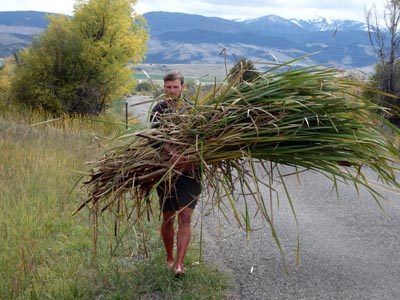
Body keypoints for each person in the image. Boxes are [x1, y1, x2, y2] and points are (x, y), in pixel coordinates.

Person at [150, 70, 201, 277]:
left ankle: (179, 264)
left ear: (183, 87)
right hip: (166, 172)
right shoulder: (158, 110)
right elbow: (154, 139)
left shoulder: (193, 110)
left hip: (190, 172)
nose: (171, 91)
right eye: (168, 87)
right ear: (164, 88)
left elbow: (203, 139)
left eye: (175, 87)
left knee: (186, 217)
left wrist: (189, 157)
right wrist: (171, 153)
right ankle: (169, 257)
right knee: (168, 216)